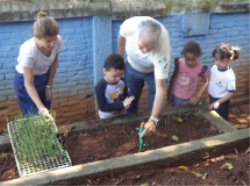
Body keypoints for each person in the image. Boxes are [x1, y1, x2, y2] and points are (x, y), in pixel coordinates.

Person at [117, 16, 171, 138]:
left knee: (154, 106)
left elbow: (161, 89)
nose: (145, 51)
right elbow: (121, 36)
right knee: (130, 101)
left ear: (156, 41)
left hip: (153, 73)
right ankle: (129, 130)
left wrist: (153, 119)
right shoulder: (130, 26)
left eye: (150, 47)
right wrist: (119, 57)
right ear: (137, 35)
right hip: (131, 67)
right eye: (142, 46)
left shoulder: (162, 49)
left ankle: (151, 127)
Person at [14, 11, 64, 118]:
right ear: (37, 37)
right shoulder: (28, 51)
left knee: (46, 112)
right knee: (34, 116)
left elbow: (53, 63)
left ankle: (47, 134)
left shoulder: (58, 41)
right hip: (25, 81)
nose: (52, 44)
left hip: (44, 77)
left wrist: (48, 85)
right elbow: (29, 84)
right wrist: (40, 107)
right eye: (47, 41)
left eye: (54, 39)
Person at [206, 43, 241, 121]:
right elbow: (211, 83)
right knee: (212, 117)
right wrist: (208, 96)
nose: (218, 63)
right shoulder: (214, 68)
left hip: (222, 101)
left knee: (221, 119)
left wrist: (218, 102)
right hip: (212, 97)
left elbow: (231, 93)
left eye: (221, 61)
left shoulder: (229, 75)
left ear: (229, 59)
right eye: (216, 60)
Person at [167, 40, 208, 106]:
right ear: (184, 56)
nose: (190, 62)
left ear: (198, 56)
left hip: (190, 100)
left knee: (188, 115)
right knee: (176, 115)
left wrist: (198, 96)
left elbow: (205, 82)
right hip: (176, 97)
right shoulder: (179, 63)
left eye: (193, 60)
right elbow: (173, 78)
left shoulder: (200, 68)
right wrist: (169, 94)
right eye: (187, 59)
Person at [95, 54, 135, 119]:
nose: (119, 78)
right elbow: (102, 107)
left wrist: (127, 100)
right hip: (107, 117)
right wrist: (122, 104)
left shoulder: (122, 81)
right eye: (115, 76)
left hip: (122, 113)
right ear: (105, 71)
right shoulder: (100, 86)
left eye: (121, 74)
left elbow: (124, 94)